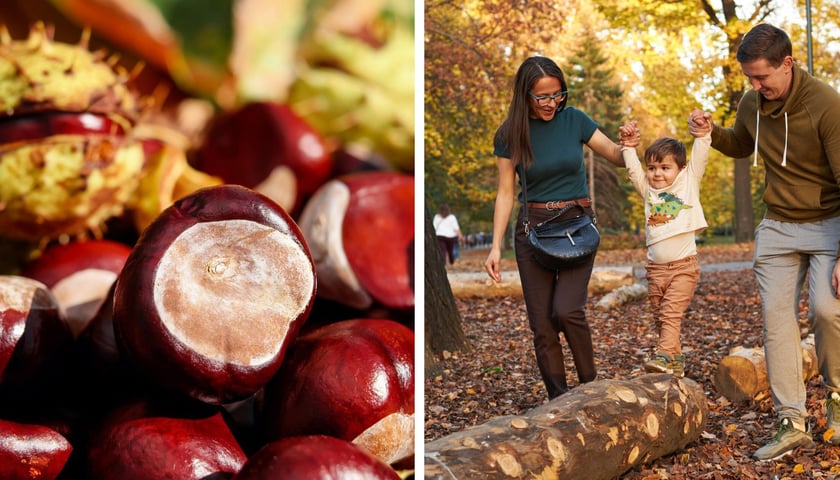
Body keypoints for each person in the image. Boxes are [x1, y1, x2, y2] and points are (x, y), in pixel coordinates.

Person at [688, 23, 840, 461]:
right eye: (749, 79)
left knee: (828, 310)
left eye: (762, 78)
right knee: (776, 322)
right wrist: (710, 132)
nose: (755, 87)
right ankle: (791, 421)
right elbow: (741, 144)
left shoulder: (826, 105)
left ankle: (837, 398)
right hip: (778, 226)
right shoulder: (754, 102)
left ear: (787, 64)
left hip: (830, 222)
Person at [484, 55, 640, 400]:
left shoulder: (575, 120)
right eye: (542, 97)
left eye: (557, 94)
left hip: (576, 226)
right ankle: (558, 398)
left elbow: (613, 154)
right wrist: (495, 246)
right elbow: (506, 193)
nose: (552, 103)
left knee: (567, 311)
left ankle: (589, 390)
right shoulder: (510, 133)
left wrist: (628, 143)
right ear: (525, 95)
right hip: (532, 233)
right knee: (542, 325)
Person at [619, 121, 712, 379]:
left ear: (680, 169)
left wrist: (703, 135)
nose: (657, 173)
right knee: (662, 320)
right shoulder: (648, 190)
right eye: (652, 168)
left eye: (665, 168)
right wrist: (628, 146)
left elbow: (700, 157)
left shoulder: (687, 183)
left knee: (671, 315)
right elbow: (633, 171)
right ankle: (674, 363)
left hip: (683, 268)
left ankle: (662, 355)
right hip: (655, 271)